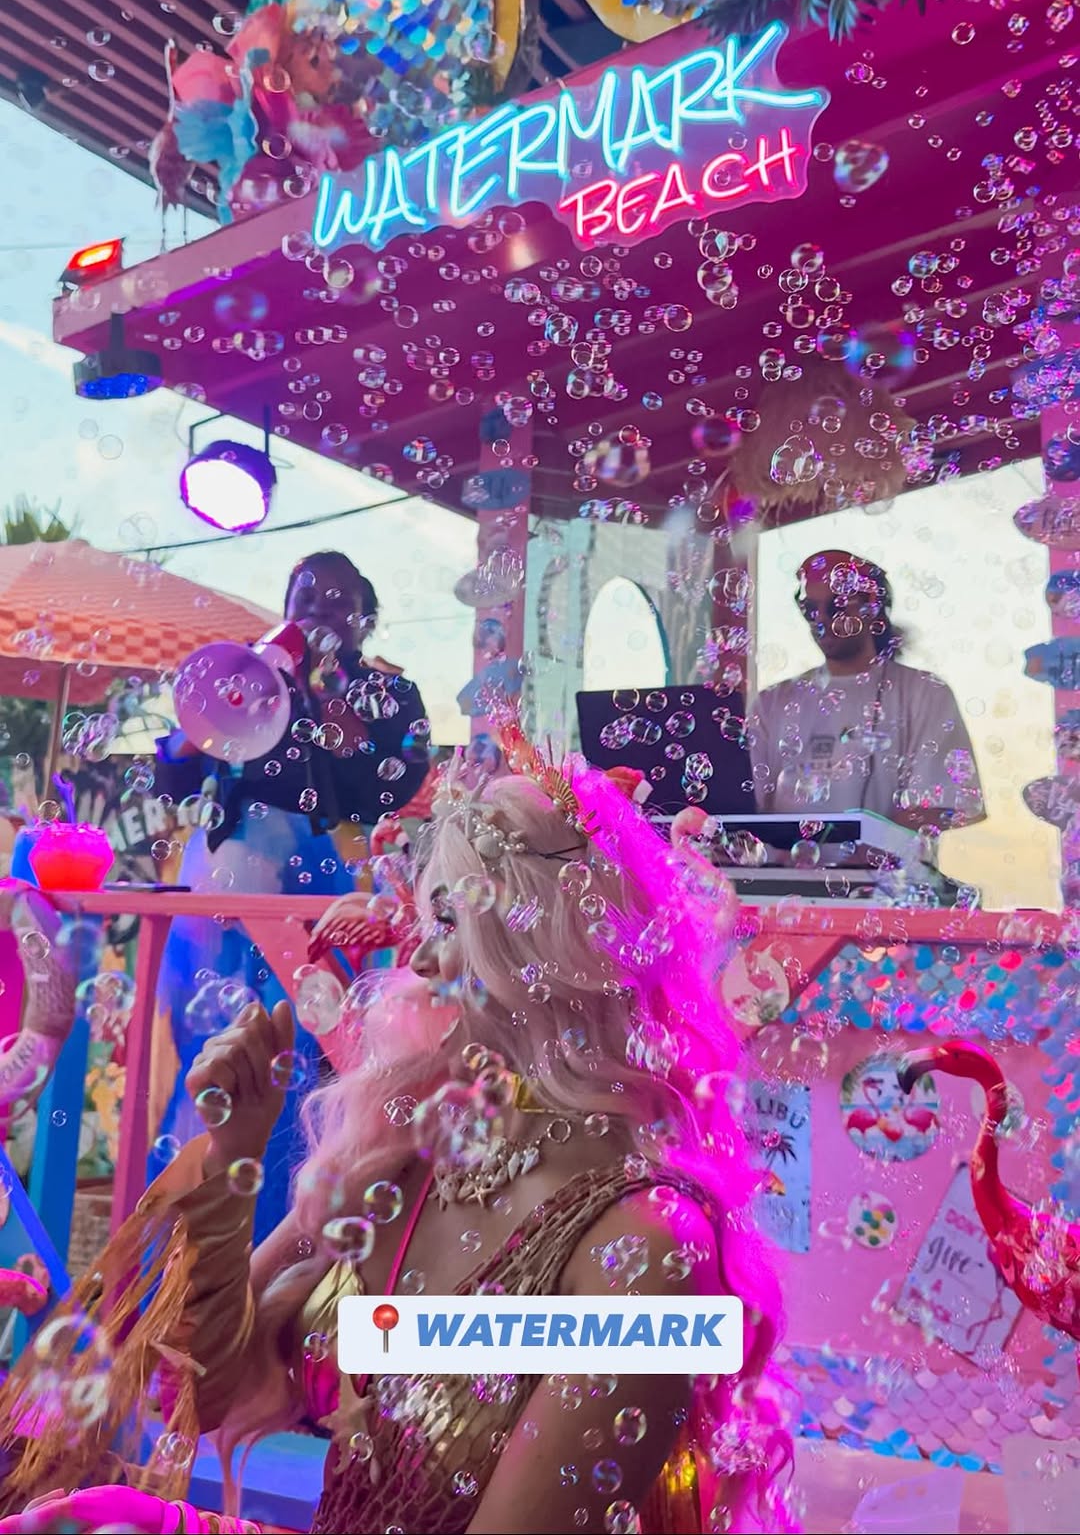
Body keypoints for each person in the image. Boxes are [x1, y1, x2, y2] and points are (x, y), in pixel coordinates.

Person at [0, 749, 796, 1535]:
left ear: (540, 948)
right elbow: (201, 1394)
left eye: (447, 920)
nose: (416, 957)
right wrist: (236, 1157)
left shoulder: (649, 1246)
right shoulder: (410, 1156)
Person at [150, 551, 429, 1238]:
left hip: (328, 894)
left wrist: (337, 711)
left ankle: (283, 1231)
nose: (318, 613)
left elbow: (386, 788)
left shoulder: (388, 694)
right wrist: (210, 714)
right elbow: (172, 777)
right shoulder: (243, 670)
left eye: (338, 603)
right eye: (305, 599)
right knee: (212, 1053)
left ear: (365, 620)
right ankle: (186, 1236)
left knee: (307, 1059)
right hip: (230, 890)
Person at [748, 550, 984, 838]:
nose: (821, 620)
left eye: (835, 606)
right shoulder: (772, 701)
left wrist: (870, 849)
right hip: (779, 868)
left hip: (887, 868)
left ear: (871, 605)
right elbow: (750, 804)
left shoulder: (925, 692)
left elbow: (944, 803)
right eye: (809, 610)